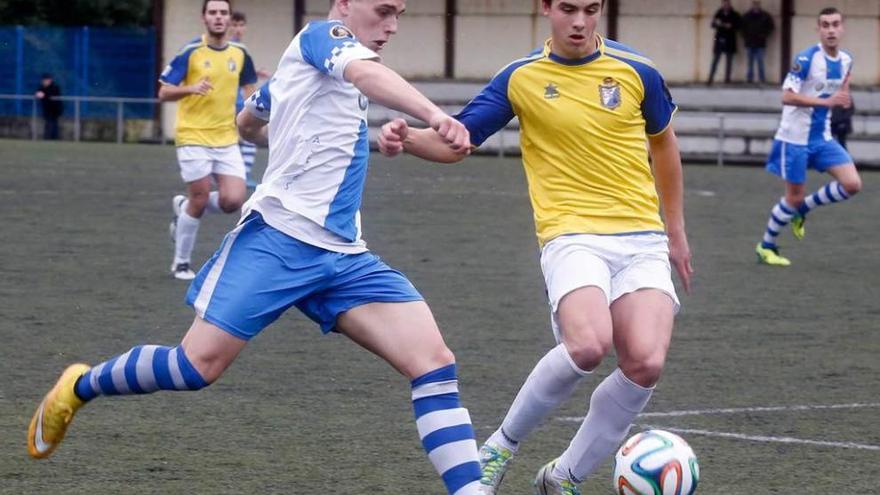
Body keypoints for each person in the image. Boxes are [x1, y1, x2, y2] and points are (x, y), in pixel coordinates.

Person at [27, 1, 485, 494]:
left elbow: (249, 118)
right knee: (194, 367)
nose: (392, 26)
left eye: (400, 14)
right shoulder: (322, 37)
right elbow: (365, 75)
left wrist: (264, 124)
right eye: (383, 10)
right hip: (279, 242)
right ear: (346, 5)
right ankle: (78, 386)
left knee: (435, 364)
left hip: (345, 257)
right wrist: (435, 114)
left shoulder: (316, 66)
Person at [378, 1, 693, 493]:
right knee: (588, 344)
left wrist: (674, 231)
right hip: (570, 234)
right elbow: (460, 141)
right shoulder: (519, 77)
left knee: (645, 362)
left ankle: (564, 477)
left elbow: (664, 145)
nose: (580, 22)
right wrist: (410, 139)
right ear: (545, 8)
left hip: (640, 237)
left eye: (591, 9)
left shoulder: (639, 71)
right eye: (568, 8)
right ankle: (500, 446)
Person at [160, 0, 258, 280]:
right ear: (204, 18)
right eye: (213, 12)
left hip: (226, 137)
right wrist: (191, 88)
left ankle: (183, 208)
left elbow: (251, 91)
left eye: (223, 13)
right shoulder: (191, 51)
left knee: (233, 200)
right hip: (193, 135)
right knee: (200, 199)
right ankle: (181, 262)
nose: (218, 17)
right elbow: (164, 92)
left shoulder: (240, 53)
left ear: (229, 19)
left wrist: (261, 115)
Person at [755, 7, 860, 266]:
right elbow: (786, 96)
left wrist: (843, 98)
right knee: (793, 196)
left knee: (852, 184)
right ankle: (766, 246)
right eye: (825, 25)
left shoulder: (846, 60)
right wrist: (826, 102)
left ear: (842, 28)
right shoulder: (807, 58)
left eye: (835, 24)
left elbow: (842, 88)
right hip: (794, 139)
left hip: (821, 137)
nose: (831, 30)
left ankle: (803, 209)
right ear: (819, 29)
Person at [229, 10, 270, 189]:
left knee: (244, 138)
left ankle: (240, 175)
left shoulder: (239, 47)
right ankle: (241, 175)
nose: (238, 29)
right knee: (251, 135)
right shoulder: (231, 47)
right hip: (232, 101)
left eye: (241, 25)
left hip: (236, 100)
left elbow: (239, 74)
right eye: (234, 25)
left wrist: (255, 74)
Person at [741, 0, 774, 84]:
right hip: (749, 42)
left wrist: (764, 35)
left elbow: (771, 27)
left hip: (760, 43)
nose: (755, 7)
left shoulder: (765, 16)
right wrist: (745, 37)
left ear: (759, 6)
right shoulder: (747, 16)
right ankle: (750, 79)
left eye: (757, 5)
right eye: (754, 5)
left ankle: (762, 79)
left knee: (760, 62)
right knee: (750, 62)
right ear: (752, 6)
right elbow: (741, 28)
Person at [707, 0, 741, 85]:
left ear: (730, 5)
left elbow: (739, 25)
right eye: (724, 4)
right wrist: (718, 24)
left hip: (730, 40)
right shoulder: (718, 13)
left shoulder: (734, 14)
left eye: (727, 4)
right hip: (719, 40)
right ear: (722, 5)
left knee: (729, 61)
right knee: (715, 60)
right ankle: (710, 79)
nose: (726, 6)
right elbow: (712, 25)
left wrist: (731, 26)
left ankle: (727, 80)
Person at [34, 73, 63, 140]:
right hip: (47, 109)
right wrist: (38, 94)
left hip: (55, 109)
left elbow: (50, 95)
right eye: (43, 80)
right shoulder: (41, 88)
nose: (44, 82)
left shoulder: (55, 87)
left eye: (46, 80)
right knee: (48, 123)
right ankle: (48, 138)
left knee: (54, 124)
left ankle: (54, 138)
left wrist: (43, 95)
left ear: (50, 80)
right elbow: (38, 94)